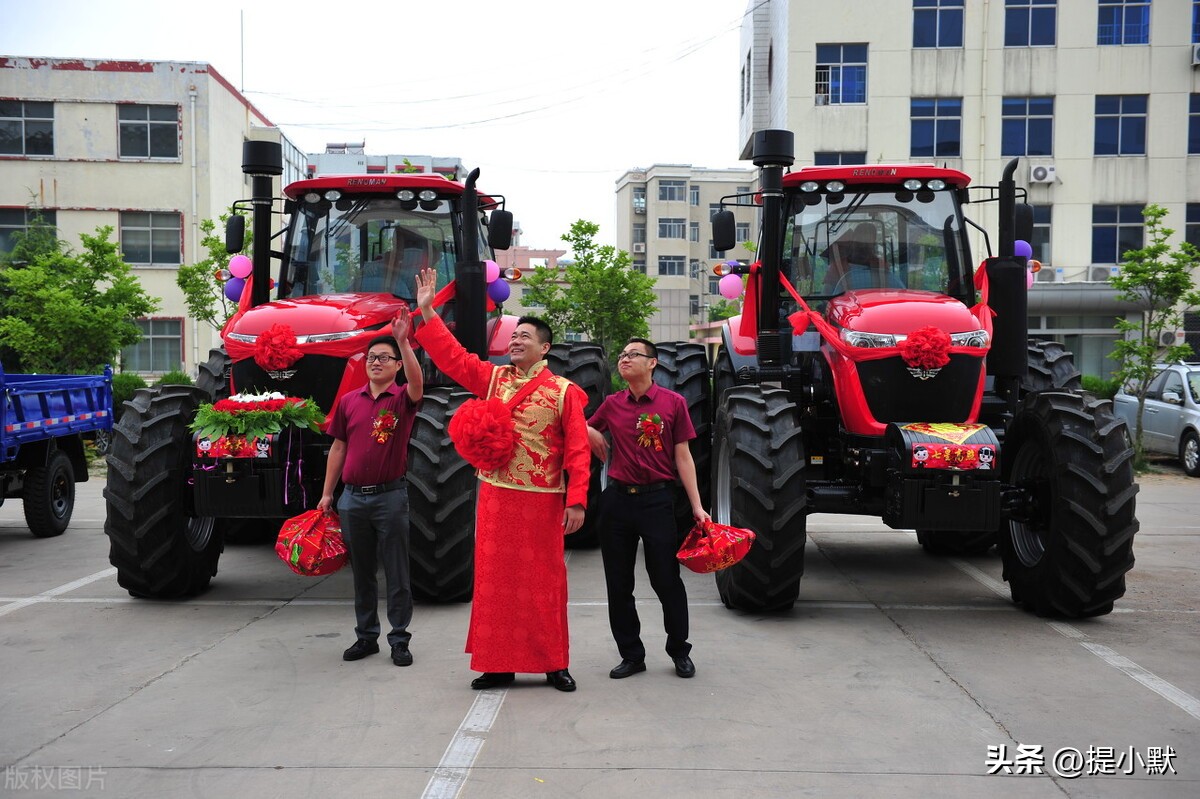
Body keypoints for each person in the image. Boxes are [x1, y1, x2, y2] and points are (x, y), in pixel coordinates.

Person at [411, 267, 590, 692]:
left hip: (544, 498)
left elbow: (579, 451)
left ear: (544, 348)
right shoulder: (493, 379)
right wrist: (427, 312)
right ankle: (497, 664)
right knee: (494, 585)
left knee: (545, 584)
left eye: (525, 336)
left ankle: (554, 664)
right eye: (513, 336)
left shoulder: (565, 391)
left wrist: (577, 501)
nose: (515, 341)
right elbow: (453, 359)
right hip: (495, 495)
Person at [586, 339, 709, 681]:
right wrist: (588, 430)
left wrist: (697, 506)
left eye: (632, 355)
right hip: (617, 502)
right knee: (619, 583)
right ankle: (631, 655)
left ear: (652, 363)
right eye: (622, 355)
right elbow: (585, 427)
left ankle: (679, 650)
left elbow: (682, 456)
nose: (624, 359)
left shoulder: (673, 403)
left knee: (666, 580)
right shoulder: (612, 404)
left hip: (657, 501)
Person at [318, 311, 423, 667]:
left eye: (384, 358)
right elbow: (338, 448)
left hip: (390, 497)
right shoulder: (349, 401)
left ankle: (399, 640)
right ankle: (366, 637)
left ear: (396, 365)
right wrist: (328, 494)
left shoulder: (401, 400)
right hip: (352, 500)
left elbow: (417, 383)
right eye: (371, 358)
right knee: (362, 572)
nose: (376, 363)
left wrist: (404, 341)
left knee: (396, 571)